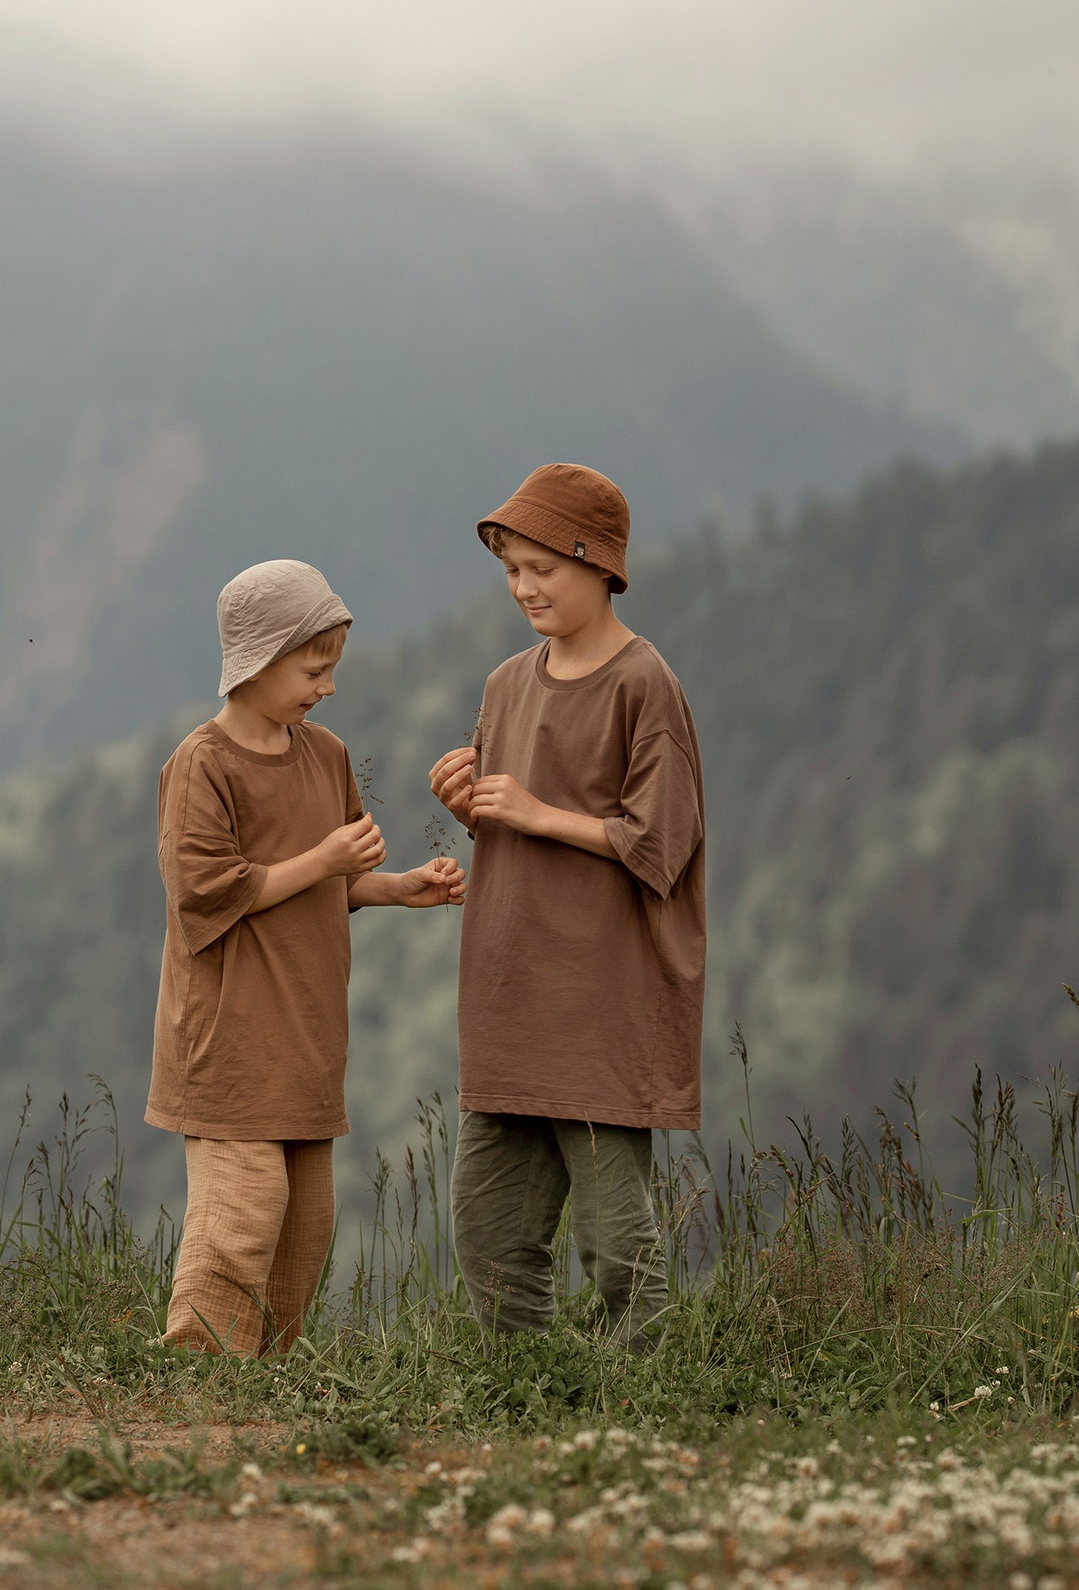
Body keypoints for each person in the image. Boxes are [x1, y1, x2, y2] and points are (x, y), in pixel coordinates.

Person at [148, 559, 467, 1355]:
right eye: (312, 670)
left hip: (305, 1035)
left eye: (331, 669)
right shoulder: (203, 763)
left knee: (304, 1222)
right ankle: (196, 1376)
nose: (327, 687)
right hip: (229, 1037)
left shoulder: (325, 754)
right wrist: (325, 859)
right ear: (256, 660)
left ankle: (260, 1382)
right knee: (242, 1208)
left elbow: (330, 881)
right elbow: (204, 892)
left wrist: (397, 888)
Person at [425, 465, 705, 1346]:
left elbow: (662, 842)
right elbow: (507, 823)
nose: (524, 587)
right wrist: (468, 804)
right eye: (512, 569)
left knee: (613, 1240)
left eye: (542, 567)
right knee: (487, 1229)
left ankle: (646, 1395)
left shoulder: (643, 681)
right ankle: (527, 1388)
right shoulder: (505, 682)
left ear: (599, 563)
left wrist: (539, 812)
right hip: (510, 993)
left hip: (599, 1000)